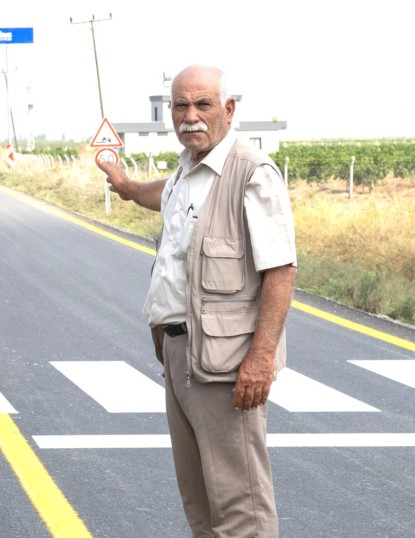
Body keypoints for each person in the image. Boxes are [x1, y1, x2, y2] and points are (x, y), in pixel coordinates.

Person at [98, 65, 297, 537]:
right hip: (179, 353)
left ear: (228, 110)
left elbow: (281, 271)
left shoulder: (251, 174)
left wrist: (261, 359)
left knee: (240, 506)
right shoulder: (186, 172)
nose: (191, 116)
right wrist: (126, 189)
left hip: (227, 365)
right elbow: (161, 194)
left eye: (203, 104)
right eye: (180, 105)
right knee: (201, 503)